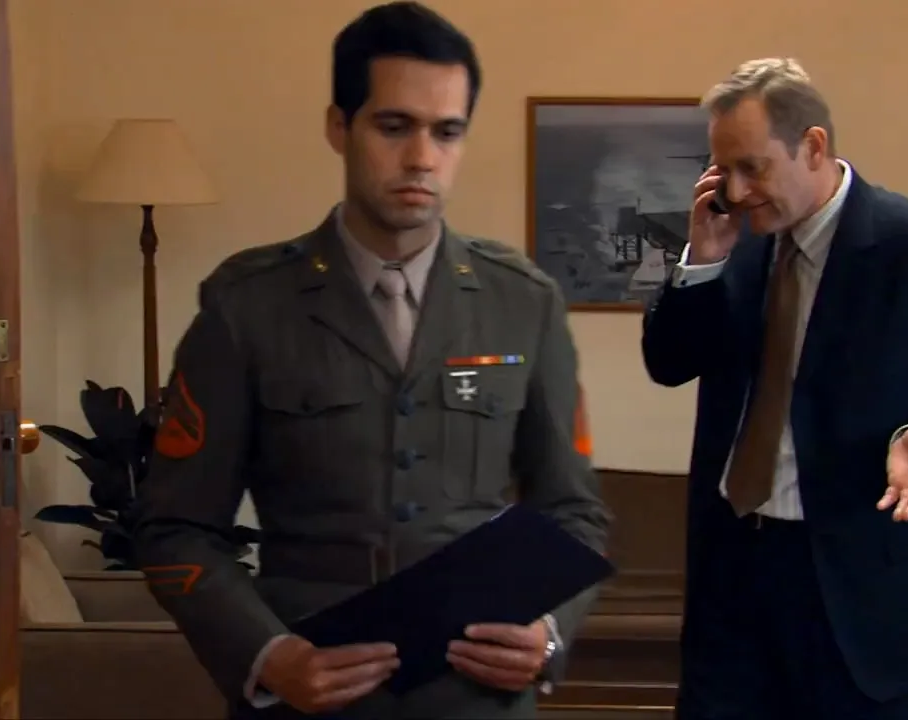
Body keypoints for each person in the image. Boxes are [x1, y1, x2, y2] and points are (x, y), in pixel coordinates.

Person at [131, 3, 610, 718]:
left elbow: (573, 511)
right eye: (394, 126)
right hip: (309, 695)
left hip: (476, 700)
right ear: (339, 126)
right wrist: (268, 655)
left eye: (446, 132)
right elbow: (176, 527)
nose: (422, 158)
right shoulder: (248, 305)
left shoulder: (523, 301)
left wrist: (547, 632)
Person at [641, 58, 908, 720]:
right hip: (734, 570)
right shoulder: (738, 243)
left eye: (753, 167)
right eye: (723, 170)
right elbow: (670, 363)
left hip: (858, 584)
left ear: (813, 146)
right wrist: (701, 261)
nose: (737, 190)